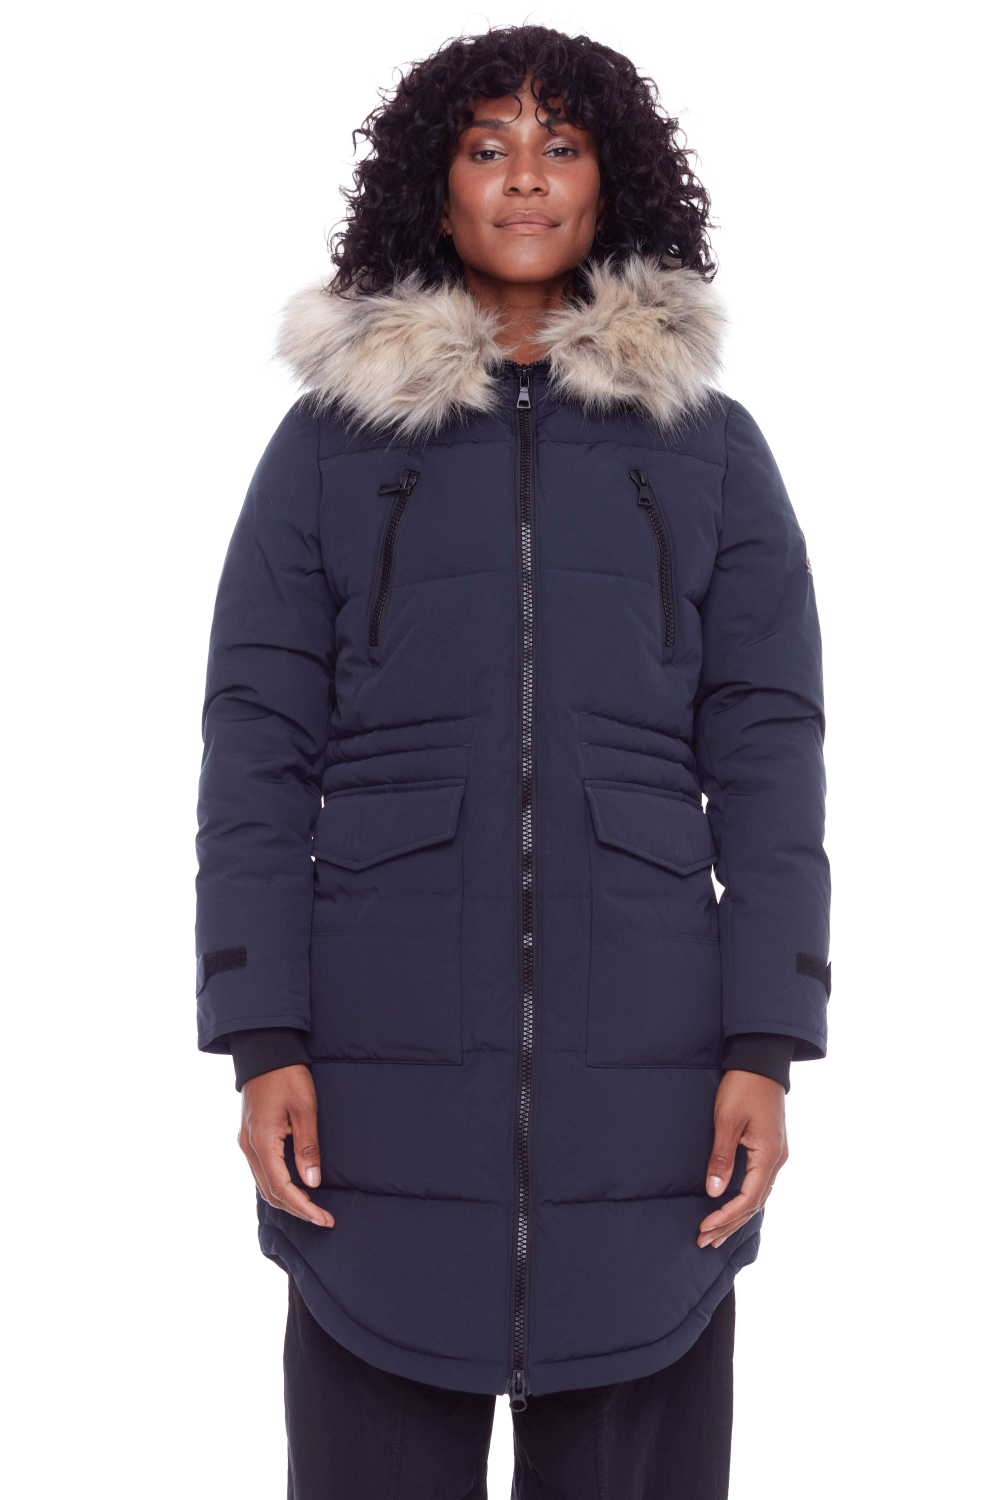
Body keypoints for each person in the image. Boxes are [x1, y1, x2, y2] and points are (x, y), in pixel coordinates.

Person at [194, 16, 831, 1499]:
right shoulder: (330, 447)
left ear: (618, 184)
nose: (526, 176)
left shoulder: (709, 447)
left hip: (652, 1075)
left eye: (563, 144)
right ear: (434, 183)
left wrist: (767, 1045)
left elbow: (770, 753)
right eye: (487, 146)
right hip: (379, 1063)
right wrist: (261, 1034)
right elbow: (256, 745)